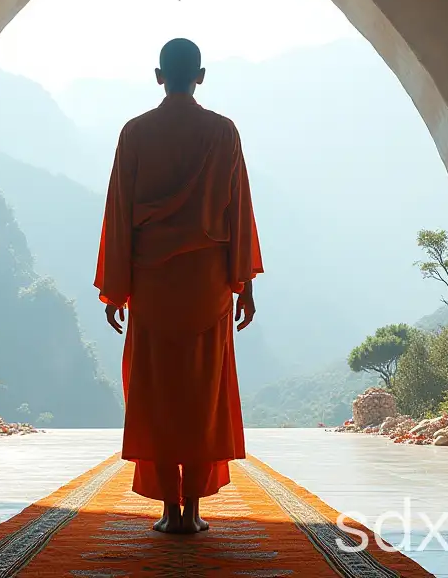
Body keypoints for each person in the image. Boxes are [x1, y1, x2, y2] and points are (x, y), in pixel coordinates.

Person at [94, 37, 263, 535]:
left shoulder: (136, 133)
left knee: (158, 394)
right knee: (200, 394)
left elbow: (119, 213)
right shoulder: (223, 132)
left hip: (152, 286)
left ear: (158, 75)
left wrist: (117, 287)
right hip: (208, 285)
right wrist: (244, 285)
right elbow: (239, 211)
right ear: (202, 75)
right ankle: (193, 510)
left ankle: (169, 510)